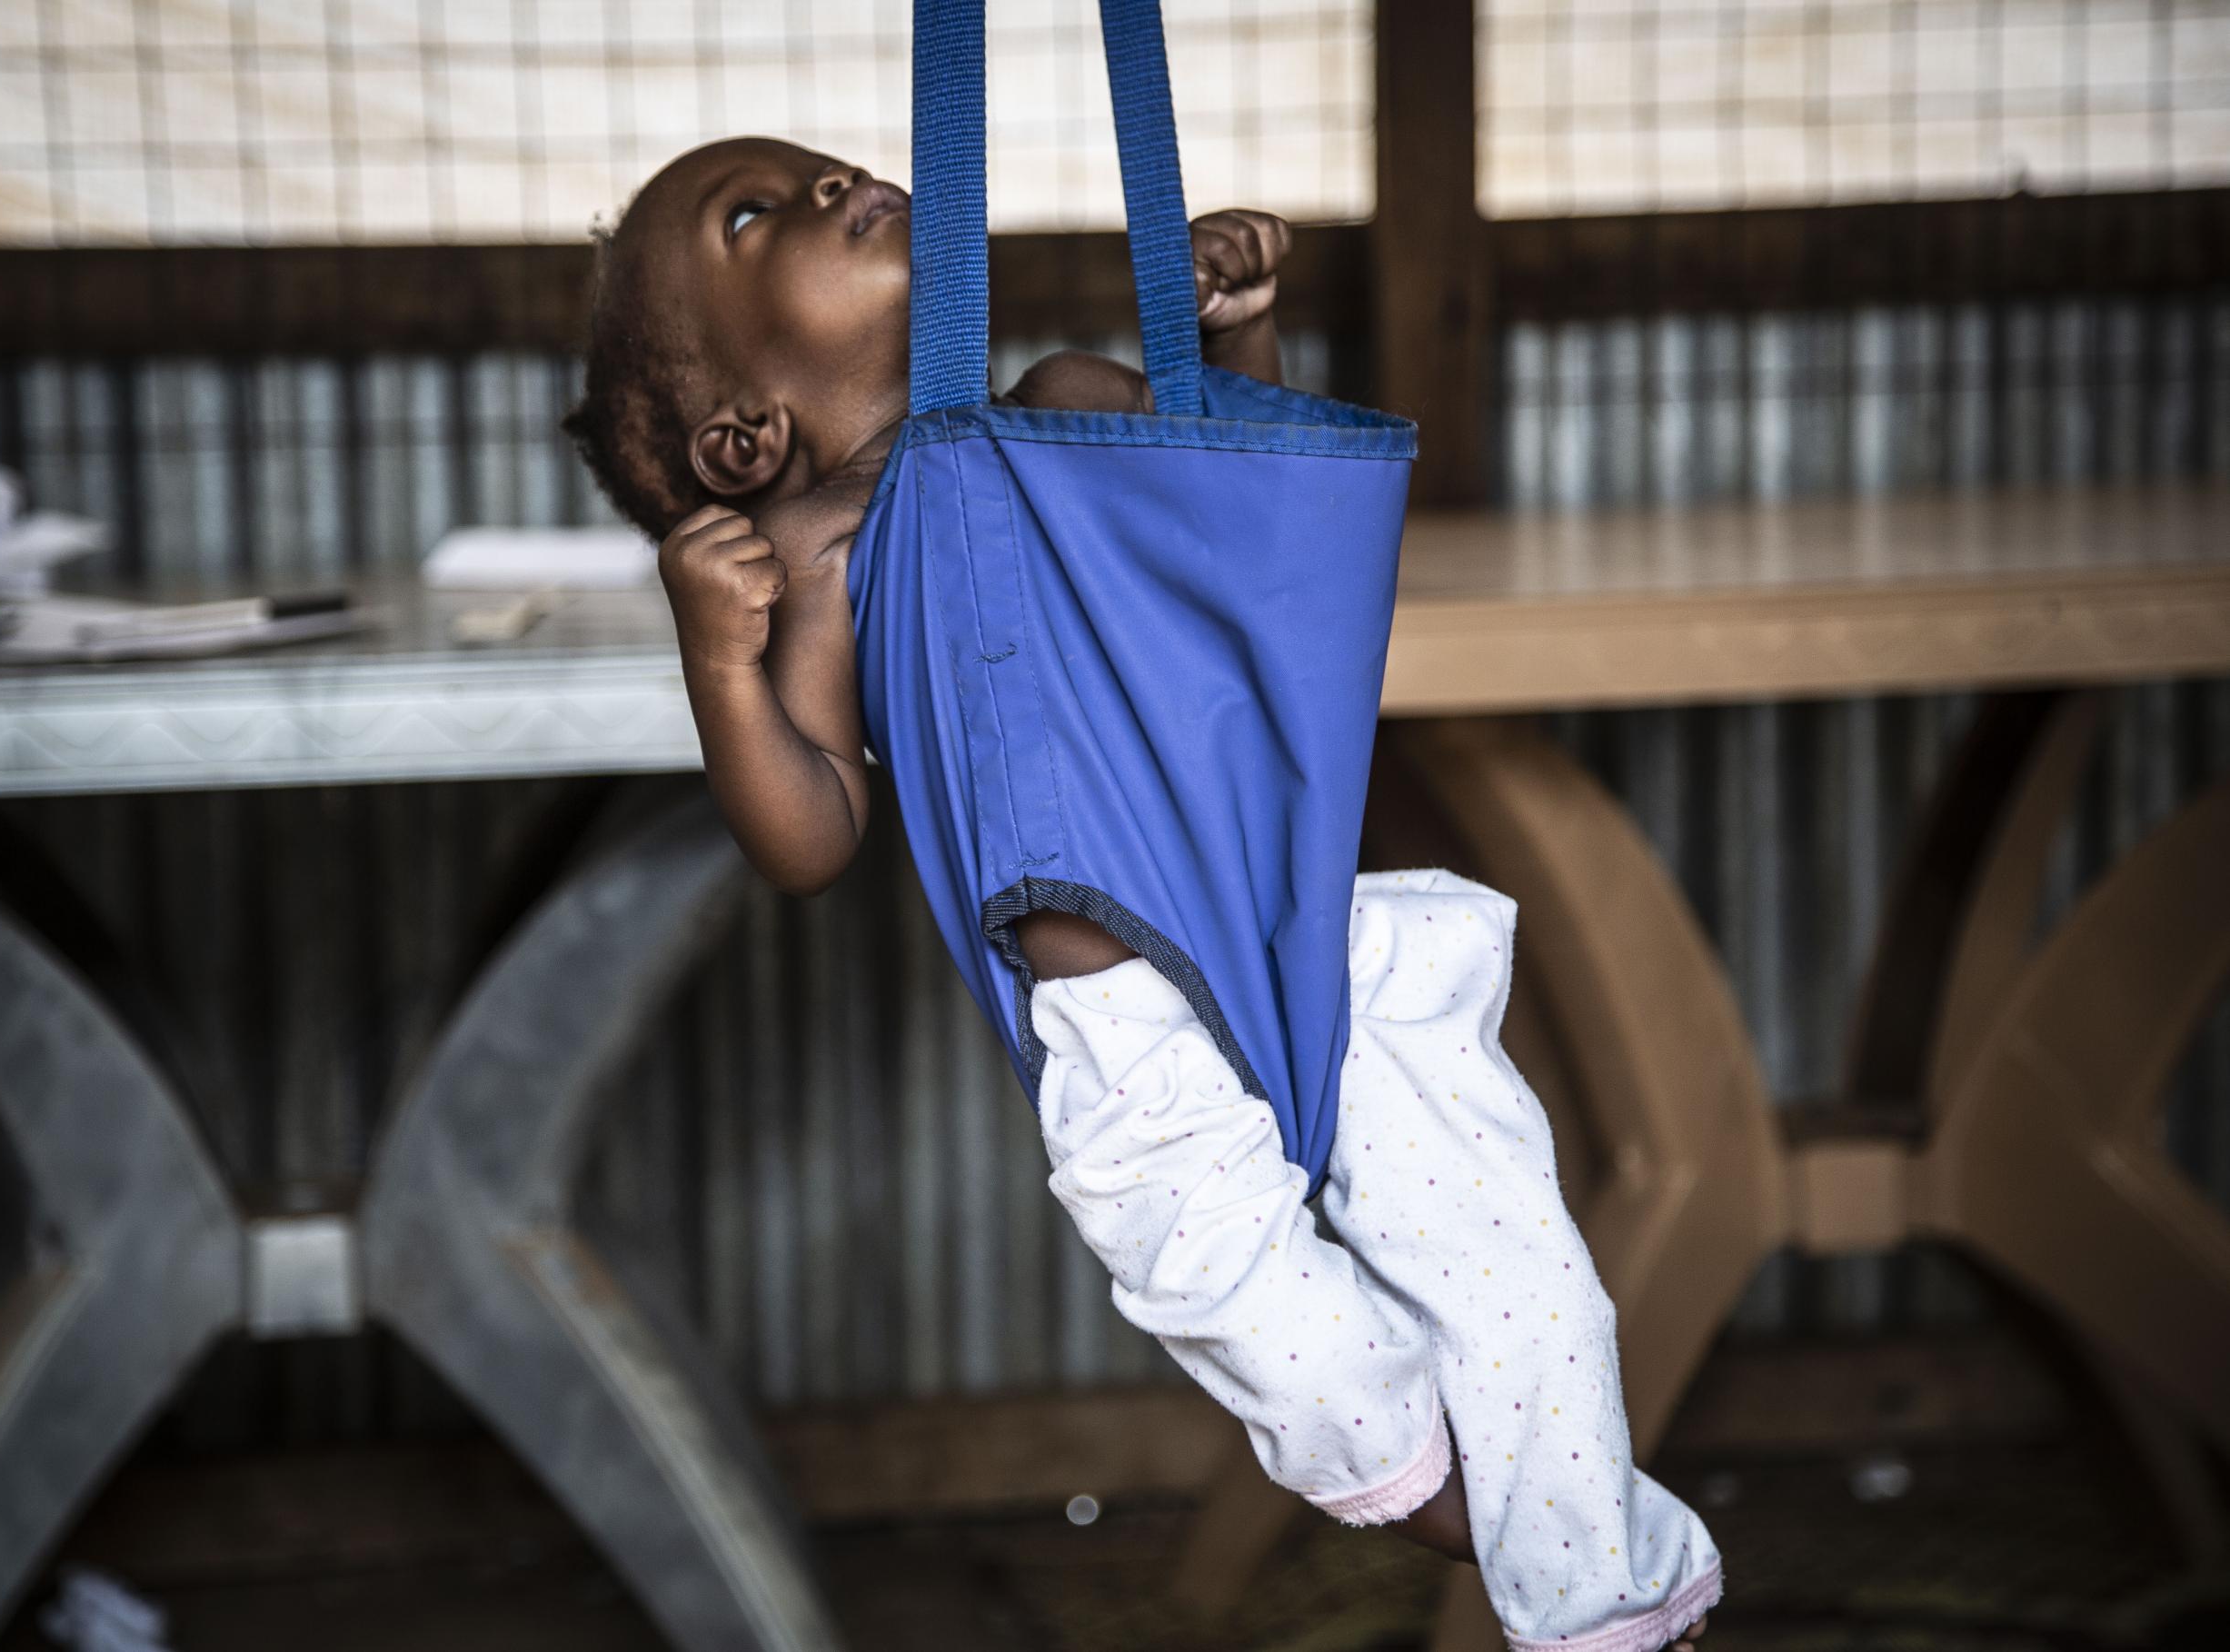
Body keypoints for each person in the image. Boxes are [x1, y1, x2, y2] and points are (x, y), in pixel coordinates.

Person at [563, 136, 1719, 1652]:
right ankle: (1526, 1531)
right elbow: (813, 829)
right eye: (755, 215)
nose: (836, 185)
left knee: (1515, 1265)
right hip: (1126, 1030)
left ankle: (1610, 1601)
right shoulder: (820, 550)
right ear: (742, 438)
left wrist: (1232, 342)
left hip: (1318, 933)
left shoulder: (1069, 413)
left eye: (820, 168)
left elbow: (1244, 517)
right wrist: (722, 665)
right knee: (1290, 1354)